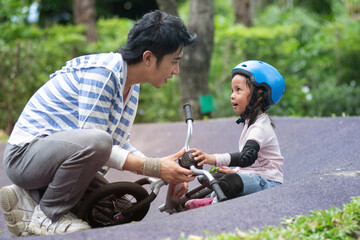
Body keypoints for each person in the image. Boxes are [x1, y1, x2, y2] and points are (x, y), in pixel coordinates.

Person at [0, 10, 197, 237]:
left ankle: (27, 200)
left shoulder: (130, 86)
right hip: (24, 157)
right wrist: (154, 166)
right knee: (99, 141)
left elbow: (118, 146)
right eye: (174, 61)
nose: (176, 71)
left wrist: (164, 173)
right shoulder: (103, 74)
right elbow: (98, 146)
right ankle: (47, 217)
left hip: (53, 160)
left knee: (121, 210)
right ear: (148, 57)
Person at [185, 60, 285, 210]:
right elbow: (252, 165)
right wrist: (237, 170)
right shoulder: (249, 123)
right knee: (218, 177)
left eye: (238, 90)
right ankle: (206, 199)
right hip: (256, 177)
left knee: (231, 181)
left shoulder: (260, 127)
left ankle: (211, 206)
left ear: (259, 95)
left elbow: (247, 157)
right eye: (232, 90)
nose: (232, 96)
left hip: (269, 182)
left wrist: (213, 159)